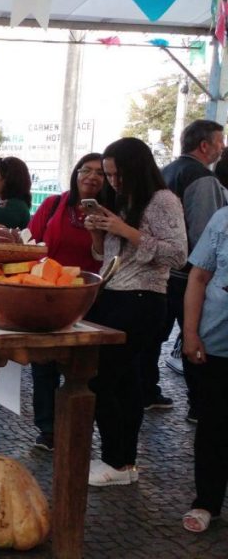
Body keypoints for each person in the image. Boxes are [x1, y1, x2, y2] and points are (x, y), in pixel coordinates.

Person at [83, 137, 187, 487]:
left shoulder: (163, 200)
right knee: (125, 383)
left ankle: (116, 458)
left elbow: (178, 255)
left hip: (143, 299)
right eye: (109, 175)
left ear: (135, 168)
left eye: (116, 174)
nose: (112, 181)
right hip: (113, 294)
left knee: (99, 380)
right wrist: (98, 234)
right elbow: (110, 257)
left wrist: (126, 230)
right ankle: (122, 462)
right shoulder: (123, 200)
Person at [27, 153, 115, 451]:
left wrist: (97, 231)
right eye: (86, 170)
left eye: (100, 173)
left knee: (83, 365)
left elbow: (106, 256)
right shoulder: (54, 204)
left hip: (90, 296)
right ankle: (48, 428)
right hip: (48, 294)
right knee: (44, 363)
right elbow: (31, 241)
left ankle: (79, 425)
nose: (92, 177)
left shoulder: (111, 213)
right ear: (76, 173)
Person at [153, 119, 227, 417]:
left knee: (157, 337)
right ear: (205, 145)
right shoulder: (202, 178)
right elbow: (204, 237)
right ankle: (200, 405)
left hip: (163, 271)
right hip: (187, 274)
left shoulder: (165, 172)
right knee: (194, 340)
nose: (222, 148)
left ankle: (149, 390)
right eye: (220, 142)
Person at [180, 206, 228, 533]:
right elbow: (198, 277)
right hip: (217, 342)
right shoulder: (223, 219)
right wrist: (191, 332)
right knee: (213, 426)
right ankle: (207, 501)